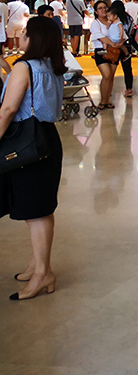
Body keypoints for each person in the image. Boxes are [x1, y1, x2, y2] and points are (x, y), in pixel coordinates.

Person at [0, 16, 66, 300]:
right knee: (40, 208)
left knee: (36, 212)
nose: (21, 36)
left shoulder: (23, 68)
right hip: (46, 138)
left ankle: (43, 273)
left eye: (25, 32)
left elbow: (8, 110)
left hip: (26, 142)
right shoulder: (53, 67)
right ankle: (37, 265)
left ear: (33, 38)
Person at [90, 0, 126, 110]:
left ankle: (107, 100)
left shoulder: (115, 21)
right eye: (100, 8)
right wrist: (112, 43)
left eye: (105, 7)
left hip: (114, 51)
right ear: (96, 12)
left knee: (111, 76)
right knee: (106, 74)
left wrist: (120, 44)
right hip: (102, 51)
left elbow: (123, 35)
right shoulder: (95, 24)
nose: (103, 10)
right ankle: (102, 100)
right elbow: (101, 37)